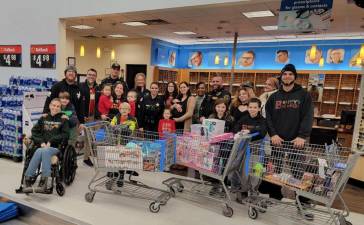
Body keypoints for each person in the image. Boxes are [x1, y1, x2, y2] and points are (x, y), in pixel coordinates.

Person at [264, 63, 314, 218]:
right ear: (281, 76)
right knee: (275, 172)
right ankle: (274, 197)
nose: (287, 76)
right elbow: (269, 118)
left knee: (299, 174)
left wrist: (302, 136)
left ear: (295, 76)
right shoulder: (273, 97)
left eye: (290, 74)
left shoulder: (304, 95)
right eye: (285, 74)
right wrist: (272, 134)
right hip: (277, 141)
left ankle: (302, 204)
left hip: (296, 142)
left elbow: (308, 116)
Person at [24, 98, 69, 191]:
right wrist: (41, 142)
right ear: (49, 106)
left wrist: (51, 141)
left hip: (56, 148)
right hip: (42, 146)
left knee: (43, 150)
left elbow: (65, 134)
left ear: (60, 108)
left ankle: (34, 179)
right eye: (53, 105)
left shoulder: (63, 119)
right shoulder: (44, 118)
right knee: (42, 150)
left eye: (58, 106)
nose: (55, 108)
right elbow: (34, 131)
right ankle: (37, 181)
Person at [231, 98, 267, 203]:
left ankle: (254, 191)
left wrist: (250, 131)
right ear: (247, 108)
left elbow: (262, 132)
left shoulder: (262, 120)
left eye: (255, 107)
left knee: (257, 172)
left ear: (259, 108)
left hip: (257, 151)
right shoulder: (244, 118)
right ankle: (243, 191)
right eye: (250, 107)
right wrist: (238, 132)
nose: (252, 109)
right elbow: (236, 127)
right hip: (244, 149)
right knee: (244, 172)